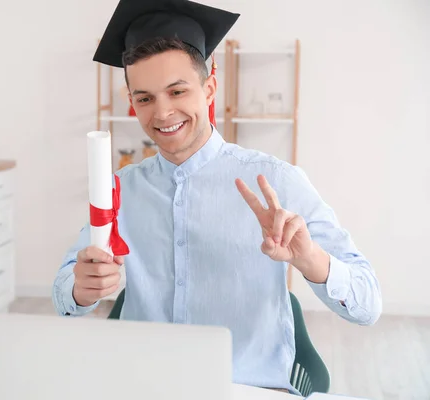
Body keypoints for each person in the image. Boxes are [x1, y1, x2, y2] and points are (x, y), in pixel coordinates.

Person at [52, 0, 382, 394]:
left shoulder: (278, 182)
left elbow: (369, 304)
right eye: (144, 98)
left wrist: (311, 260)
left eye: (177, 91)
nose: (162, 112)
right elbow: (65, 295)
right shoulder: (119, 190)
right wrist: (79, 287)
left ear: (209, 86)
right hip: (142, 385)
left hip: (242, 387)